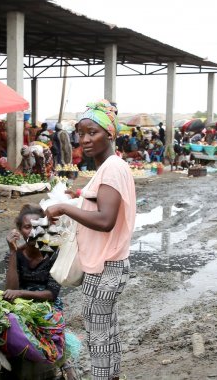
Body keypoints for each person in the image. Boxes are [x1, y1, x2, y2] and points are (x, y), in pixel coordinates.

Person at [45, 99, 135, 380]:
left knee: (98, 338)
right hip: (111, 264)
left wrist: (63, 208)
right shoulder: (110, 166)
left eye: (92, 132)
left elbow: (106, 220)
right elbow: (101, 204)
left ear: (110, 134)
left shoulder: (111, 168)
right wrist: (79, 198)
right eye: (80, 133)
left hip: (105, 267)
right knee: (107, 333)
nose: (84, 139)